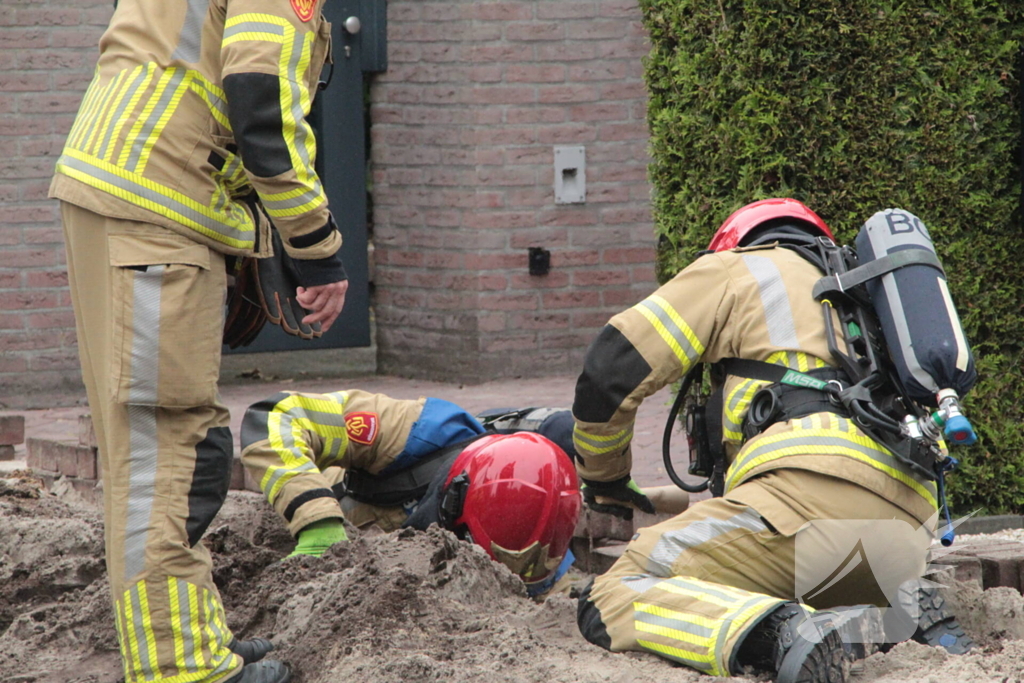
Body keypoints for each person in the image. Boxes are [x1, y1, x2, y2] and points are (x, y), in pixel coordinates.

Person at [48, 1, 348, 681]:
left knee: (170, 448)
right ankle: (182, 667)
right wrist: (316, 245)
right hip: (157, 210)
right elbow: (260, 100)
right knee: (168, 456)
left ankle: (187, 635)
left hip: (116, 189)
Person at [571, 199, 975, 683]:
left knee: (615, 592)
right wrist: (647, 501)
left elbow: (609, 371)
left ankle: (781, 630)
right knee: (799, 562)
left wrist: (605, 478)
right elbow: (769, 493)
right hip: (907, 528)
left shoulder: (735, 268)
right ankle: (892, 608)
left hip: (804, 502)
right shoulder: (864, 298)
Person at [239, 391, 583, 596]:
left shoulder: (540, 552)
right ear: (455, 498)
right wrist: (317, 521)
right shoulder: (415, 432)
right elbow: (274, 416)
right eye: (469, 545)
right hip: (325, 528)